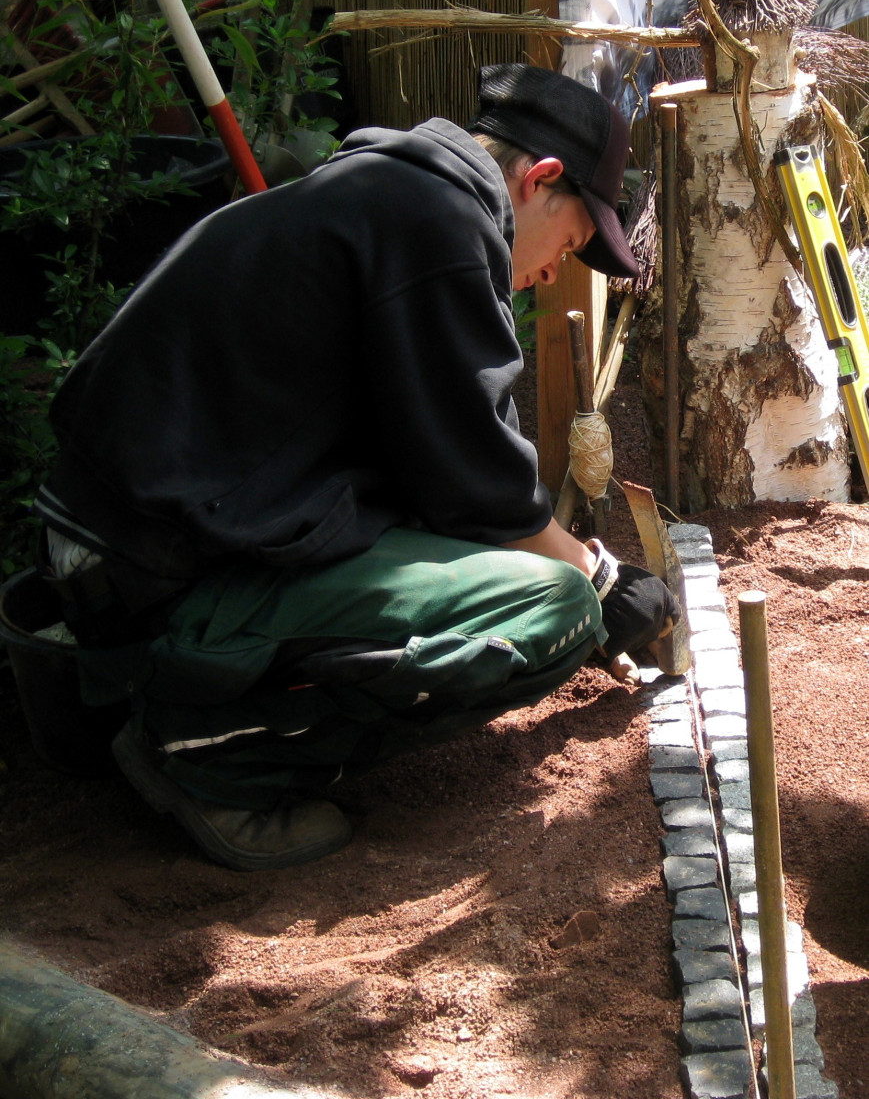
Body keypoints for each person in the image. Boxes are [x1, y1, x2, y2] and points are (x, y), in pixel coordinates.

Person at [34, 63, 680, 871]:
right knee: (550, 611)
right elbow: (479, 490)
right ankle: (209, 753)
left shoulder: (386, 193)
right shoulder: (437, 225)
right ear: (539, 179)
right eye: (572, 242)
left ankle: (204, 700)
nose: (554, 271)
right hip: (153, 577)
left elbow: (448, 463)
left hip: (119, 547)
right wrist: (600, 579)